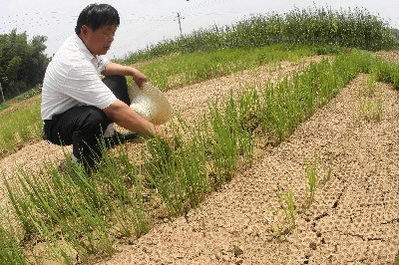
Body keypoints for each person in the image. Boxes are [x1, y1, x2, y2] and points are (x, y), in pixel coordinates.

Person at [41, 3, 163, 170]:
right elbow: (115, 109)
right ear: (85, 31)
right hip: (58, 124)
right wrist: (157, 134)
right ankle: (81, 165)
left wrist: (132, 71)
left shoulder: (85, 46)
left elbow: (104, 66)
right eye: (106, 32)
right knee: (94, 117)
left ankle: (108, 136)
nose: (111, 38)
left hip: (79, 107)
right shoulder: (72, 61)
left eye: (113, 33)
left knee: (116, 79)